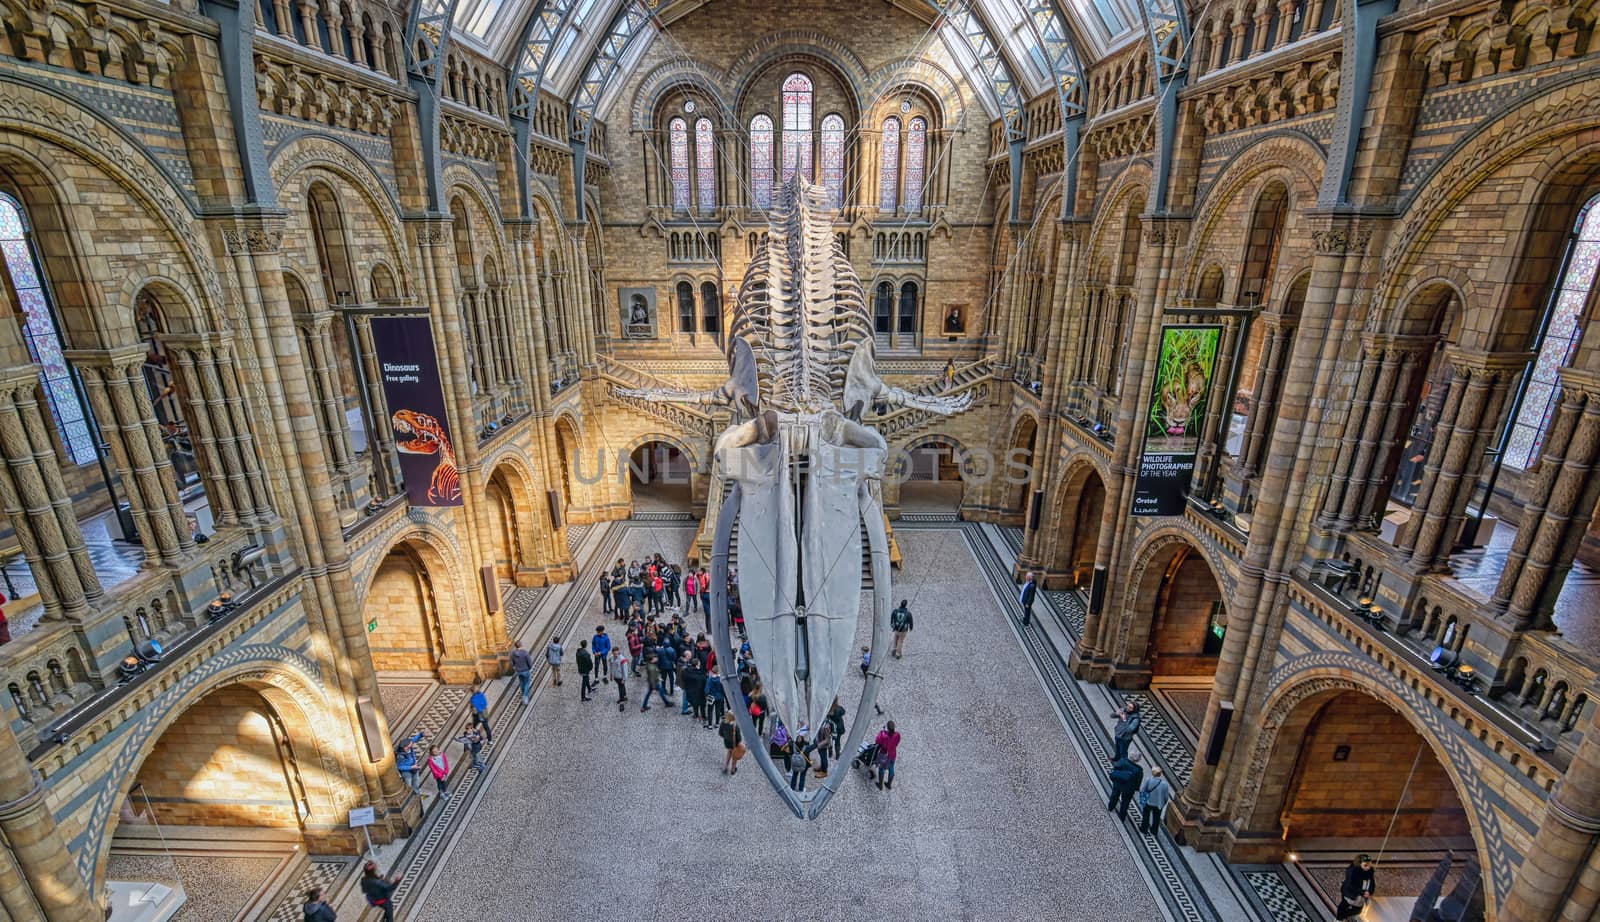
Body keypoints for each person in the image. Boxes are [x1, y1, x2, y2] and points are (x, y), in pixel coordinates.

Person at [1335, 855, 1376, 919]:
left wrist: (1370, 891)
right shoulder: (1352, 871)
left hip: (1360, 893)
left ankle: (1341, 916)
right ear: (1359, 864)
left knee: (1356, 910)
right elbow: (1350, 885)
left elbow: (1372, 883)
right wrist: (1363, 892)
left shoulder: (1370, 870)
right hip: (1349, 892)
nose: (1368, 867)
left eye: (1370, 865)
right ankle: (1340, 917)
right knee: (1345, 905)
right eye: (1365, 865)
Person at [1108, 751, 1143, 819]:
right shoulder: (1138, 770)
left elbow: (1115, 768)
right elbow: (1138, 782)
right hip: (1129, 788)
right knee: (1125, 802)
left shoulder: (1123, 761)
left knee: (1114, 795)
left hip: (1118, 783)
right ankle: (1122, 815)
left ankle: (1111, 806)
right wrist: (1135, 788)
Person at [1138, 766, 1171, 835]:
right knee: (1156, 818)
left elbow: (1142, 789)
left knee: (1146, 816)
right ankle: (1154, 831)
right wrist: (1163, 802)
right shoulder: (1164, 784)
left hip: (1148, 802)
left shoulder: (1148, 780)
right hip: (1159, 804)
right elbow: (1166, 796)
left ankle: (1144, 829)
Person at [874, 721, 900, 790]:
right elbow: (897, 743)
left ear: (888, 728)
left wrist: (882, 731)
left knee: (881, 769)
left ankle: (880, 785)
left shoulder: (884, 736)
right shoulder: (897, 734)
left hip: (884, 754)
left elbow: (877, 741)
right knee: (891, 768)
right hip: (892, 754)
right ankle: (888, 784)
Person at [610, 646, 629, 711]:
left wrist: (624, 679)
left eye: (616, 653)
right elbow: (611, 667)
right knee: (621, 686)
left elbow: (625, 670)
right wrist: (611, 675)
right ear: (612, 653)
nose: (615, 655)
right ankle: (625, 696)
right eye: (614, 653)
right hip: (616, 676)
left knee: (621, 688)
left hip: (621, 677)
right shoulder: (612, 658)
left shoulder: (622, 659)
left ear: (618, 652)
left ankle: (622, 703)